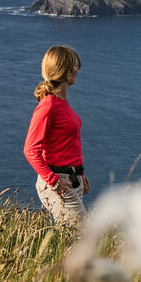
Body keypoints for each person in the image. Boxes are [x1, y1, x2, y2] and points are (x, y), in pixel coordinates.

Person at [24, 45, 89, 225]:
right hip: (58, 182)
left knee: (73, 242)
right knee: (81, 239)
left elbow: (67, 144)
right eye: (75, 66)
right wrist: (53, 181)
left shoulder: (62, 103)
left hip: (72, 180)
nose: (78, 70)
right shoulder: (48, 106)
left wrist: (80, 174)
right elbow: (30, 150)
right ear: (66, 72)